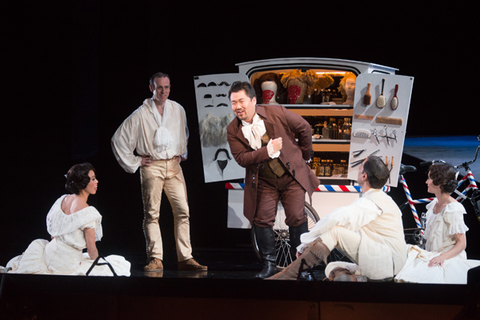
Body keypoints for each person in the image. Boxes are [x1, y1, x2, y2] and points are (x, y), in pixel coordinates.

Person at [111, 72, 206, 272]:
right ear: (151, 87)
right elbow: (118, 139)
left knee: (183, 211)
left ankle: (185, 257)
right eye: (160, 87)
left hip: (173, 166)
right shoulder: (141, 113)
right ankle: (155, 258)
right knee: (152, 214)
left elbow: (184, 132)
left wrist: (182, 153)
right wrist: (136, 160)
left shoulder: (177, 109)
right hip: (152, 166)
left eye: (167, 87)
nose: (164, 91)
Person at [226, 81, 320, 278]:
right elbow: (242, 159)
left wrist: (305, 155)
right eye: (233, 102)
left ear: (253, 100)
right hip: (264, 180)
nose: (237, 107)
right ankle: (269, 265)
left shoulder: (276, 112)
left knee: (296, 216)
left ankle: (300, 267)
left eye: (241, 101)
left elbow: (304, 127)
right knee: (261, 219)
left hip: (290, 177)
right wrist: (267, 151)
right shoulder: (233, 130)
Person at [268, 155, 407, 281]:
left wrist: (305, 243)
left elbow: (334, 219)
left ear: (364, 176)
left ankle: (285, 277)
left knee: (335, 231)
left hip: (386, 263)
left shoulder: (369, 203)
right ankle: (354, 279)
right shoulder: (385, 200)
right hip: (392, 262)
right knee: (333, 266)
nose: (357, 170)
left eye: (359, 168)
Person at [3, 163, 130, 276]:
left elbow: (53, 233)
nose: (97, 182)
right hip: (66, 264)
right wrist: (98, 261)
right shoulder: (88, 212)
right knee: (119, 265)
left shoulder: (62, 200)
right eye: (92, 179)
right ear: (83, 183)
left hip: (49, 253)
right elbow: (92, 251)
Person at [395, 164, 480, 284]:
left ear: (438, 183)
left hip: (448, 258)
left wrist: (441, 257)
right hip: (433, 255)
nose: (426, 182)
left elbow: (462, 244)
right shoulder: (434, 204)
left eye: (429, 178)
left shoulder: (452, 209)